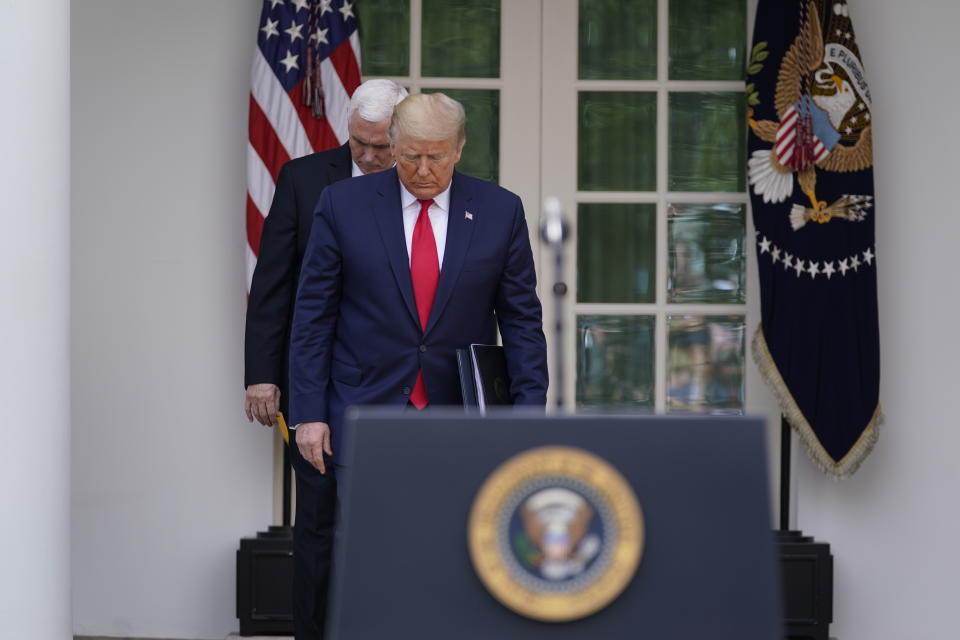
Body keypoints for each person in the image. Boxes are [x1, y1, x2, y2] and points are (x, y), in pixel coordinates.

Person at [289, 90, 548, 474]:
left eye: (436, 157)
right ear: (393, 146)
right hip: (364, 409)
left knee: (455, 533)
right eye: (411, 156)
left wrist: (527, 414)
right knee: (373, 534)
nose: (423, 170)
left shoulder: (500, 211)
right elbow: (313, 315)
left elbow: (521, 321)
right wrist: (309, 412)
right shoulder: (342, 204)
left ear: (459, 149)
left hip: (462, 417)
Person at [244, 78, 408, 640]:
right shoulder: (304, 179)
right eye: (358, 142)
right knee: (316, 523)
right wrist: (263, 375)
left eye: (380, 146)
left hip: (398, 386)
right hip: (315, 382)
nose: (367, 155)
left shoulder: (424, 189)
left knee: (398, 523)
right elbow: (273, 284)